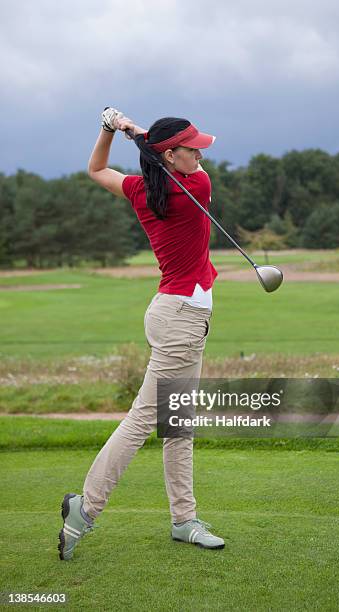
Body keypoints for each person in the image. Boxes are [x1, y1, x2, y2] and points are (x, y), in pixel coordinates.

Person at [58, 108, 224, 561]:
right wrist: (135, 130)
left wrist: (111, 129)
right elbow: (186, 164)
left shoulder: (139, 188)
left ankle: (184, 520)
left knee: (178, 426)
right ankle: (84, 509)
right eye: (192, 149)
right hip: (182, 321)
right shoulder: (197, 186)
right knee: (143, 421)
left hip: (173, 314)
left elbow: (95, 169)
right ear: (171, 155)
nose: (200, 154)